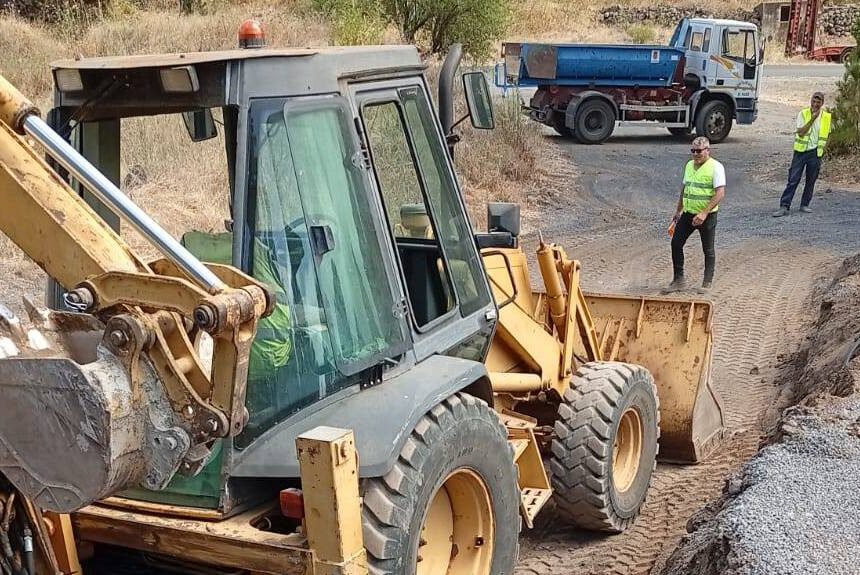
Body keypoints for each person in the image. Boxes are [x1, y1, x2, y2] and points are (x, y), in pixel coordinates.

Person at [665, 136, 726, 293]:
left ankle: (707, 282)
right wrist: (678, 211)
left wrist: (704, 213)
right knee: (676, 243)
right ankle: (678, 280)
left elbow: (720, 193)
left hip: (707, 216)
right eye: (693, 150)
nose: (695, 154)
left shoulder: (716, 167)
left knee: (708, 249)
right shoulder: (689, 165)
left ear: (707, 150)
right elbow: (685, 189)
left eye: (699, 151)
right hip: (688, 213)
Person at [772, 92, 831, 217]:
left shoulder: (826, 117)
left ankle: (804, 204)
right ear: (810, 101)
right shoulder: (803, 114)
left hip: (815, 153)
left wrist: (823, 150)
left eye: (818, 102)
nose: (815, 104)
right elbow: (801, 132)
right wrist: (813, 119)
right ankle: (784, 206)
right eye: (814, 101)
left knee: (811, 180)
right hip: (801, 152)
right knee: (793, 180)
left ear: (822, 103)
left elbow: (828, 135)